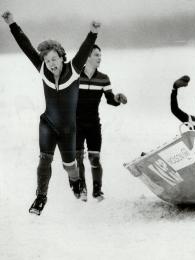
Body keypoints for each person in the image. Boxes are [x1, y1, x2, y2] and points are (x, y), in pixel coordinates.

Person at [1, 11, 100, 215]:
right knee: (44, 160)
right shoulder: (43, 70)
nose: (51, 64)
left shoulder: (73, 69)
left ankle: (75, 182)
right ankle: (40, 198)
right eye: (48, 61)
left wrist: (93, 32)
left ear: (61, 57)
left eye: (54, 59)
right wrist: (12, 23)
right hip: (48, 123)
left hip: (68, 129)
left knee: (70, 167)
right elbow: (26, 46)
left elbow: (84, 49)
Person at [76, 45, 127, 202]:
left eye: (100, 55)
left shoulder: (103, 78)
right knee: (78, 158)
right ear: (87, 57)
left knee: (95, 159)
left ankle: (97, 191)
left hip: (93, 123)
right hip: (76, 124)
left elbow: (110, 100)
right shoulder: (75, 75)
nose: (100, 58)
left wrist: (118, 98)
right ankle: (82, 189)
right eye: (96, 55)